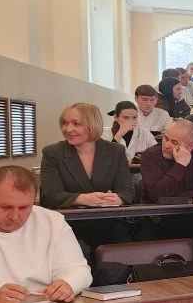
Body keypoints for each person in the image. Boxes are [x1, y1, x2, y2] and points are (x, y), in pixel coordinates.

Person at [0, 166, 92, 303]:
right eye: (5, 207)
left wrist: (68, 283)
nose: (14, 216)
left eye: (24, 208)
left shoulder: (51, 222)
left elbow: (79, 270)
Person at [40, 103, 135, 251]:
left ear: (92, 124)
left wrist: (118, 199)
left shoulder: (116, 151)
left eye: (76, 124)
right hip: (68, 224)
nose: (68, 129)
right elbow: (50, 195)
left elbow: (127, 191)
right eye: (64, 123)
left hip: (108, 222)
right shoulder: (52, 153)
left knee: (120, 247)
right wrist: (84, 199)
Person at [139, 119, 193, 203]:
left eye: (174, 142)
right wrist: (180, 165)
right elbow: (156, 195)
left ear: (190, 147)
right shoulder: (150, 156)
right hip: (160, 210)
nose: (166, 145)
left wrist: (171, 199)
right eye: (166, 138)